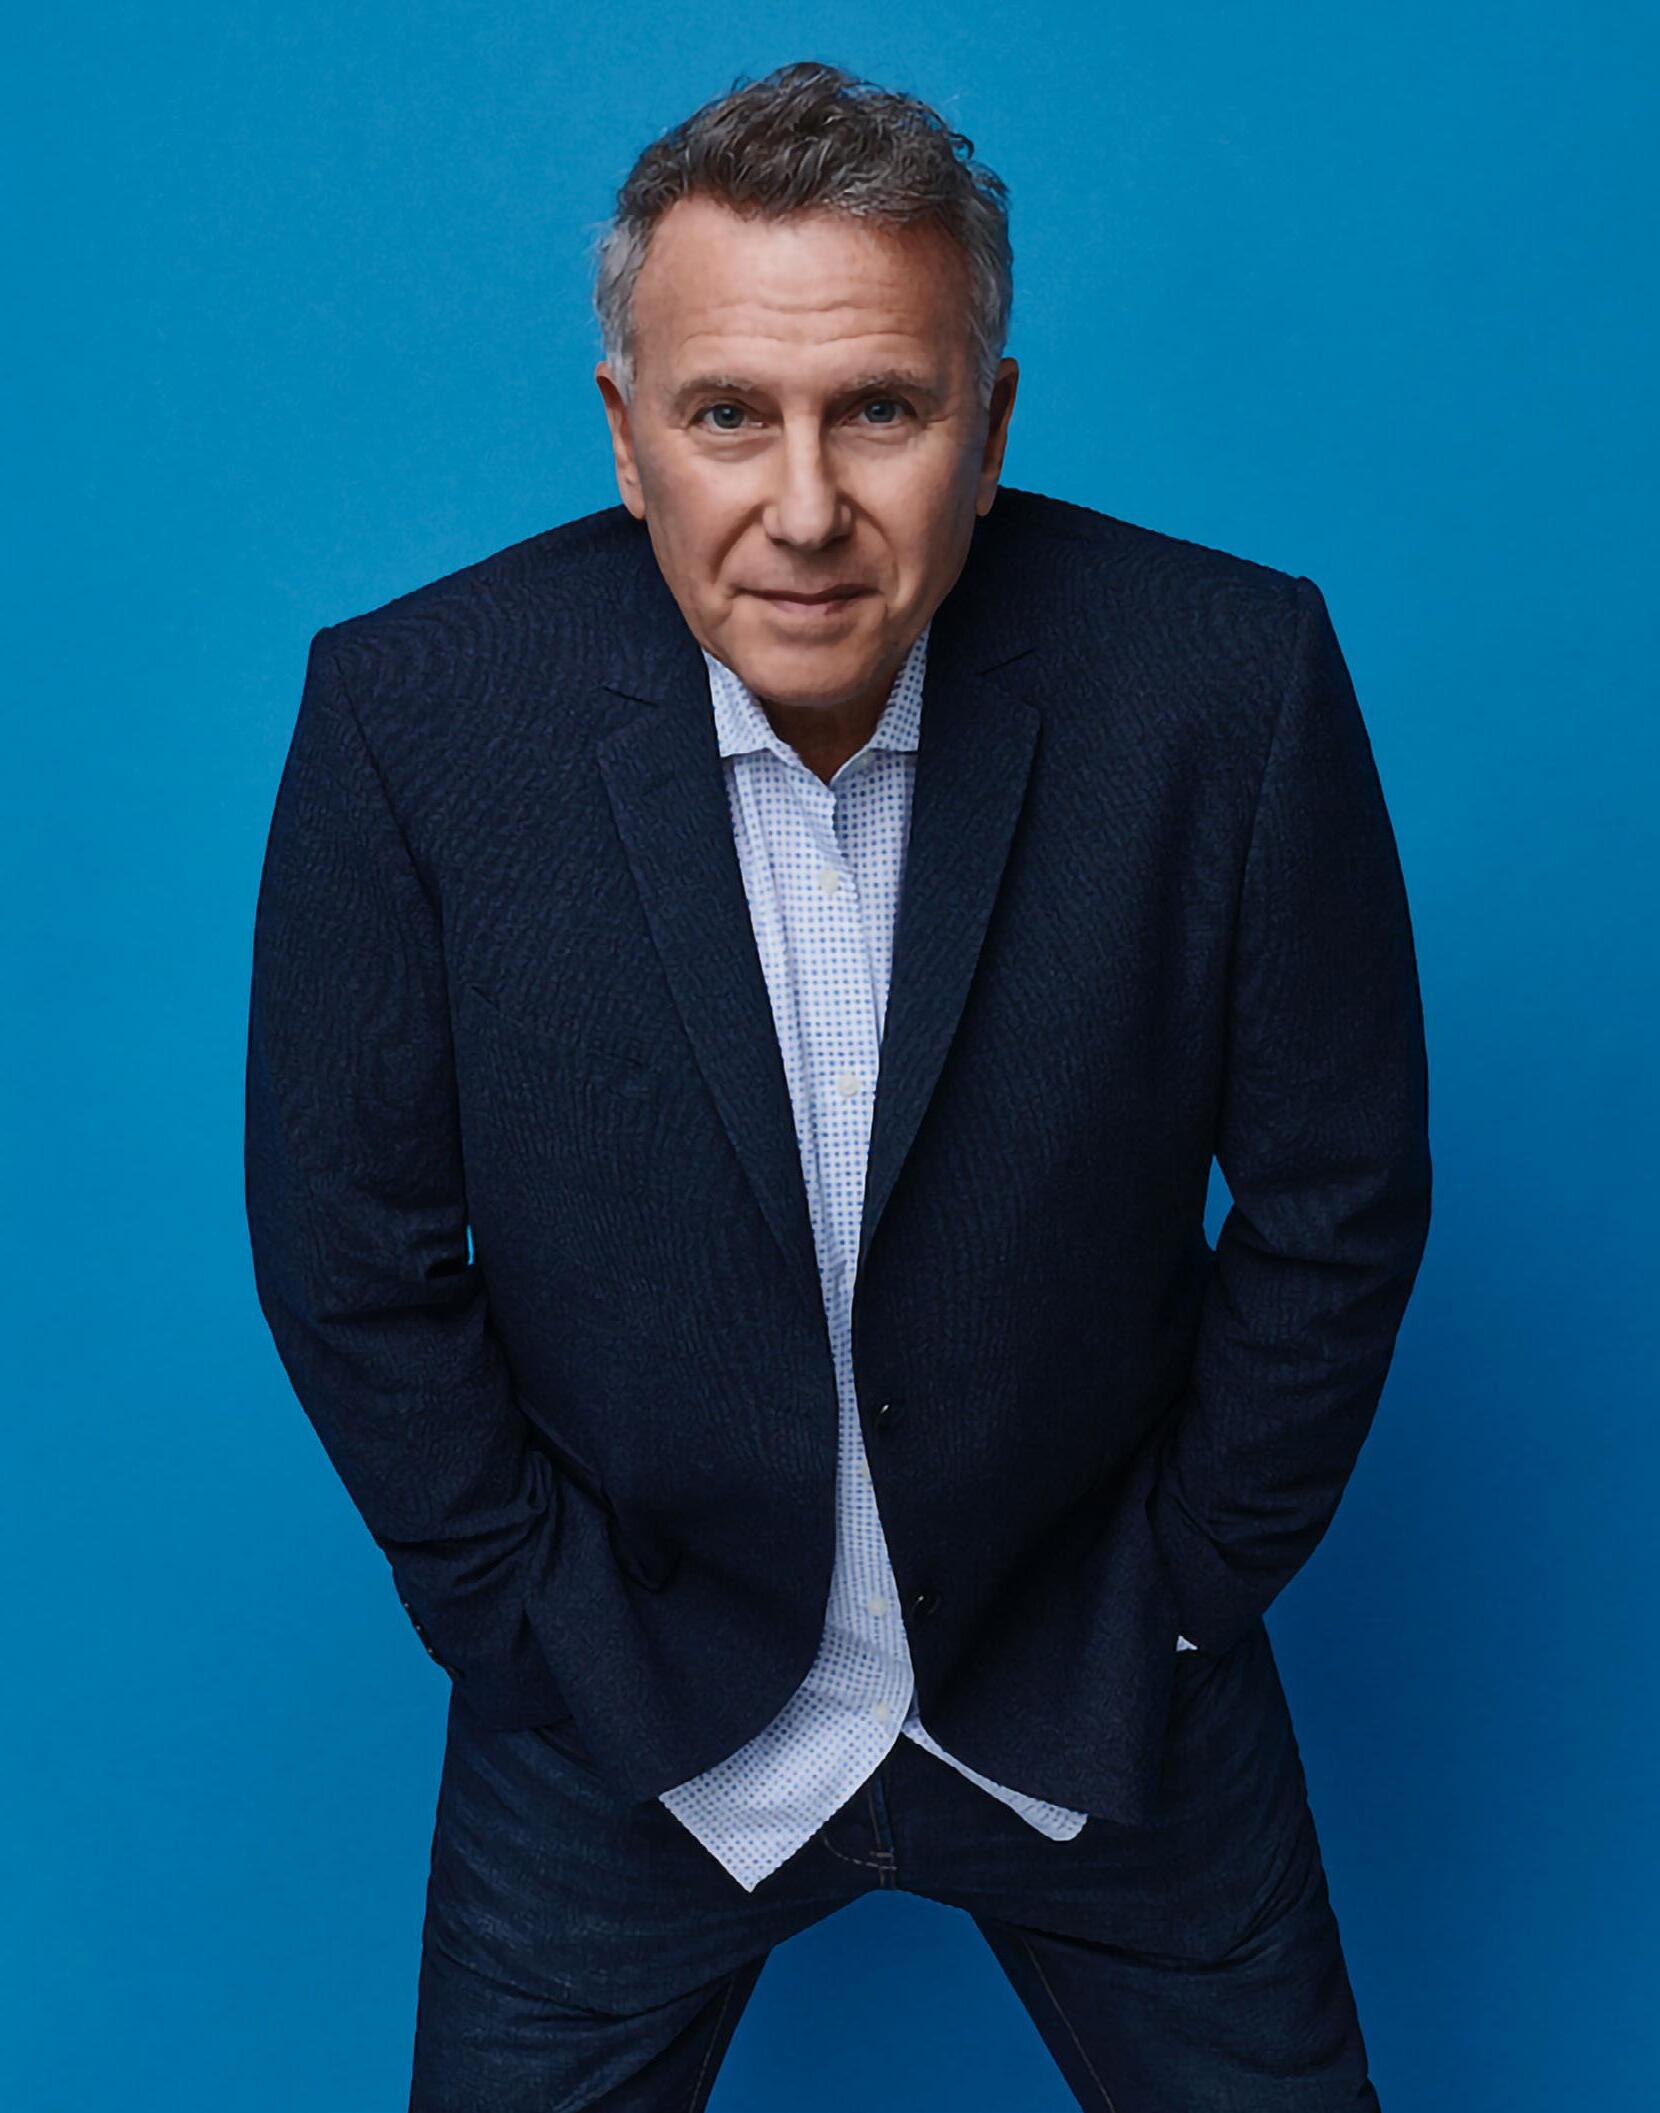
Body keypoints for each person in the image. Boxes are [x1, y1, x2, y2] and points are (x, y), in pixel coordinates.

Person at [244, 57, 1432, 2112]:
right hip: (626, 1707)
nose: (802, 508)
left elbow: (1340, 1202)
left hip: (1098, 1676)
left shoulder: (1226, 689)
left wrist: (1181, 1590)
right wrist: (527, 1627)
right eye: (729, 414)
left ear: (991, 424)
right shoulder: (412, 718)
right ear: (626, 434)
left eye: (878, 408)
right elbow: (347, 1252)